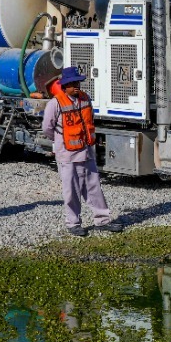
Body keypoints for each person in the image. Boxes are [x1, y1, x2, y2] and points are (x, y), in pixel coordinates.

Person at [42, 66, 120, 237]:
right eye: (72, 84)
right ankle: (73, 223)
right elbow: (47, 128)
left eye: (77, 82)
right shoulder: (55, 104)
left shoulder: (85, 98)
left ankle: (102, 220)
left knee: (94, 187)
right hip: (67, 154)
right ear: (64, 86)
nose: (76, 86)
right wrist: (60, 141)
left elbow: (90, 120)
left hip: (86, 151)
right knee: (71, 190)